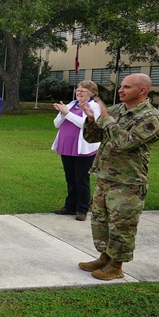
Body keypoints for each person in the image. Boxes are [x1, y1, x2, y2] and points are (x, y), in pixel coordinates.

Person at [79, 73, 159, 280]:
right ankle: (105, 257)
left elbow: (126, 142)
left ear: (142, 90)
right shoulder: (116, 110)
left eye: (127, 87)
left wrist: (106, 119)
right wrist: (91, 120)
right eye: (121, 86)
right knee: (101, 222)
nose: (121, 90)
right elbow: (93, 137)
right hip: (105, 175)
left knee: (122, 226)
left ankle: (116, 266)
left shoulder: (151, 117)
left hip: (128, 182)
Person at [51, 80, 102, 221]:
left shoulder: (94, 107)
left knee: (81, 179)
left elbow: (86, 125)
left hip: (83, 149)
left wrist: (67, 113)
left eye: (82, 91)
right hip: (66, 146)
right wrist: (62, 113)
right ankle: (70, 206)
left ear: (91, 93)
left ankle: (82, 209)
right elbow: (56, 124)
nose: (79, 93)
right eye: (78, 90)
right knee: (70, 178)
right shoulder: (71, 104)